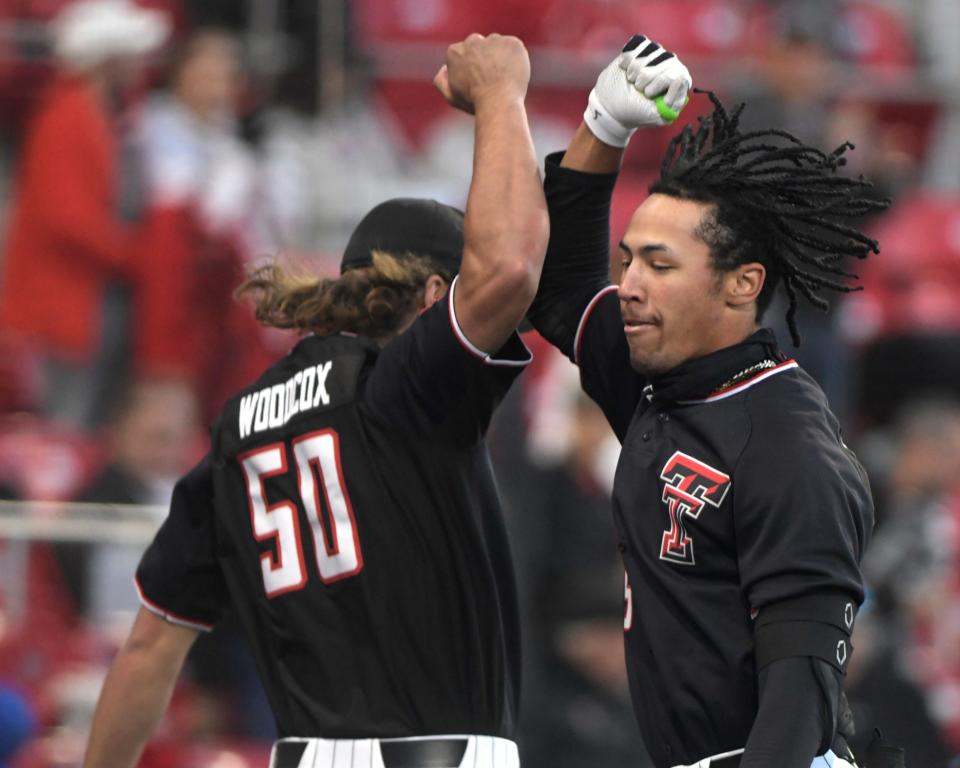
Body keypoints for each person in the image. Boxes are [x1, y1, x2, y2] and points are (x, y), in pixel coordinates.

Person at [82, 32, 548, 768]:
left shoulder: (238, 427)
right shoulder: (404, 386)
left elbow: (148, 645)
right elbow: (513, 269)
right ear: (431, 295)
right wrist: (501, 96)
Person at [526, 34, 891, 768]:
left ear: (742, 284)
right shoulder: (662, 386)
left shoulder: (790, 447)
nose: (629, 283)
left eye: (660, 265)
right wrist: (604, 124)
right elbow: (563, 291)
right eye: (628, 260)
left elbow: (800, 696)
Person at [0, 0, 169, 429]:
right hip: (63, 309)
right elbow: (66, 218)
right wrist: (137, 255)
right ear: (107, 59)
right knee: (65, 422)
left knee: (85, 419)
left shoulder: (99, 115)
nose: (138, 62)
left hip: (89, 303)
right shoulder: (65, 117)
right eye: (129, 53)